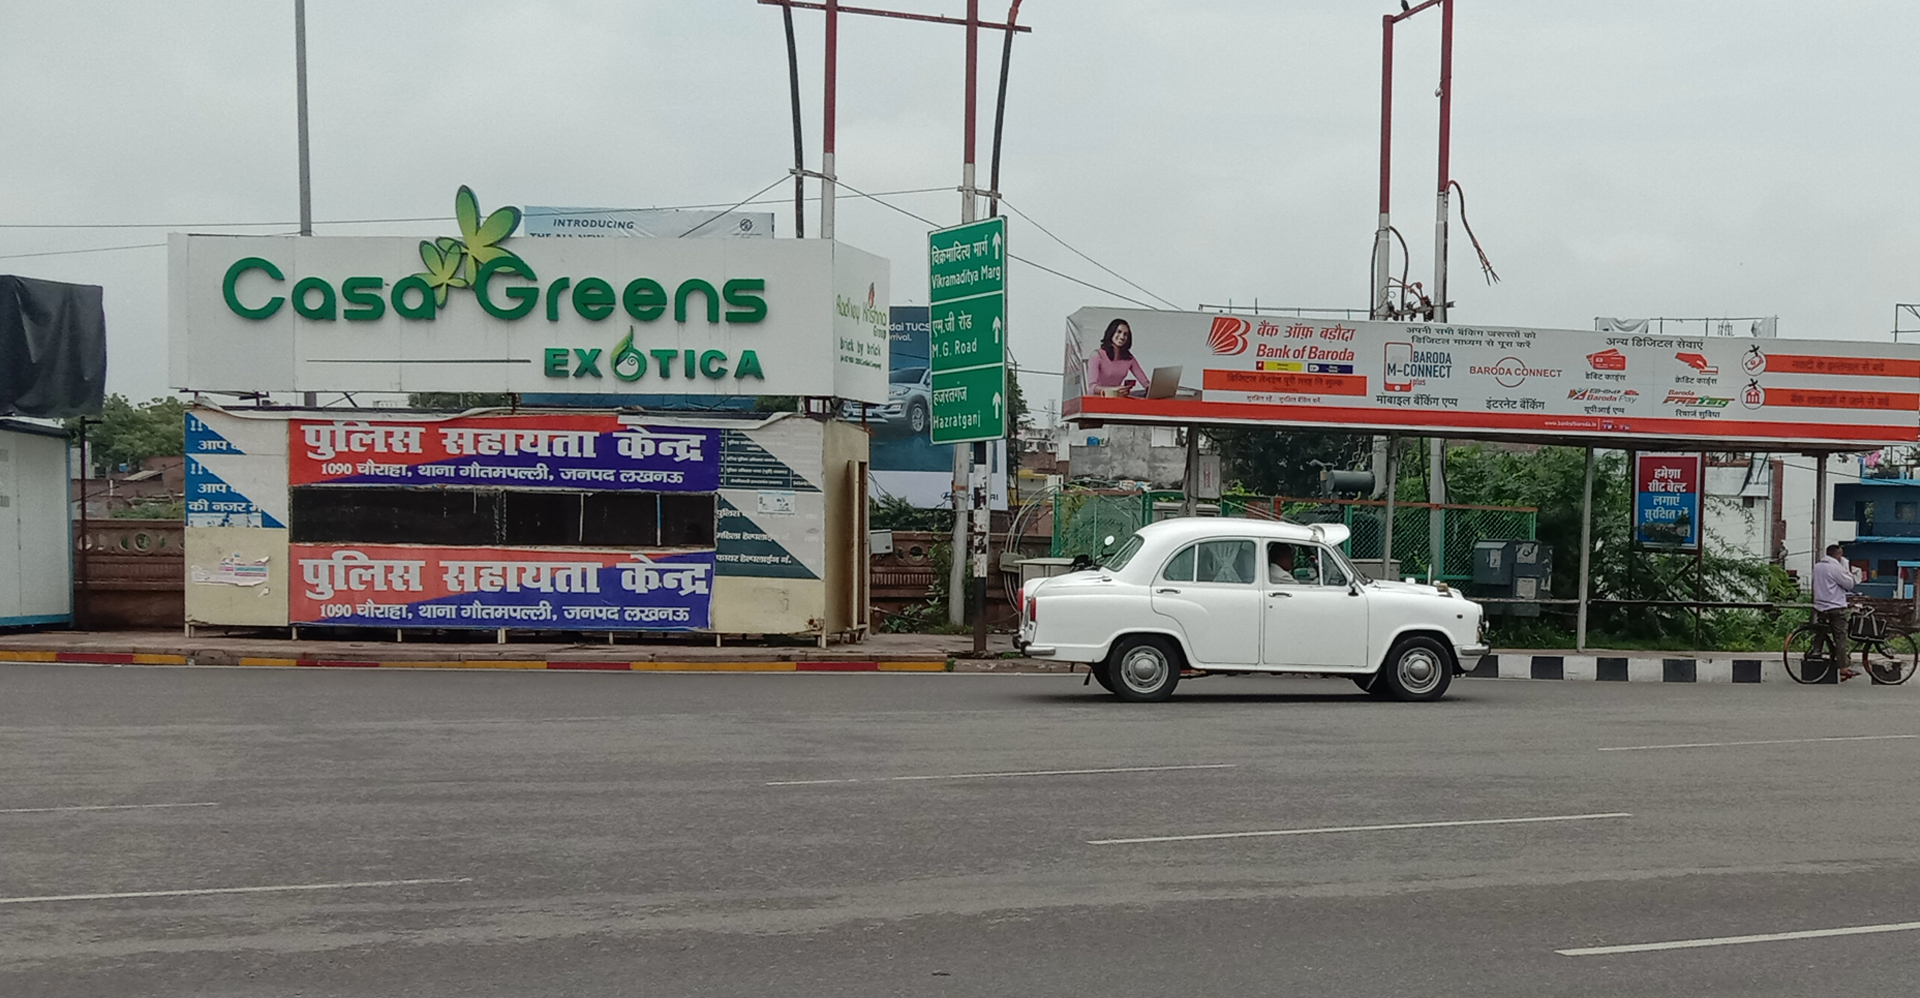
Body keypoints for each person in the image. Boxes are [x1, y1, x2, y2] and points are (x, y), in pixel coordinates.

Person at [1812, 543, 1857, 678]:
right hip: (1836, 607)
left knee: (1822, 630)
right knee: (1841, 637)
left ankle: (1816, 650)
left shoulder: (1817, 567)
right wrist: (1845, 567)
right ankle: (1844, 668)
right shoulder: (1835, 567)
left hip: (1820, 606)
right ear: (1838, 555)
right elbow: (1850, 584)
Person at [1087, 319, 1150, 397]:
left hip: (1116, 399)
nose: (1122, 337)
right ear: (1111, 332)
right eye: (1119, 332)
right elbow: (1092, 388)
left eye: (1125, 334)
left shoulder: (1128, 358)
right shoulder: (1097, 355)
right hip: (1098, 399)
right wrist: (1114, 390)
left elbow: (1144, 381)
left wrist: (1151, 388)